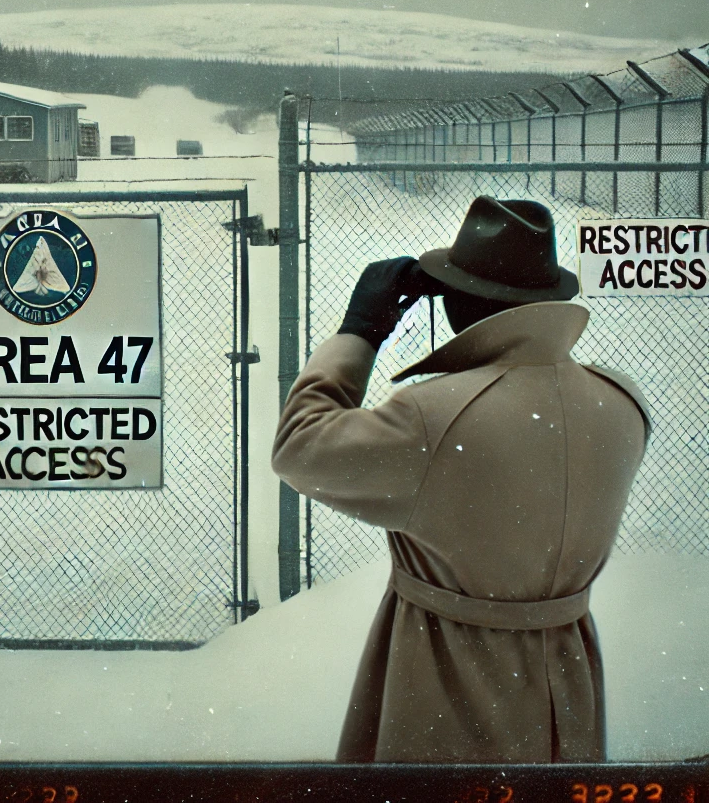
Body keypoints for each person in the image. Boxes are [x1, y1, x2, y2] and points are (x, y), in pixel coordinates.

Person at [272, 196, 651, 763]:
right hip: (566, 684)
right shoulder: (621, 404)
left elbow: (300, 445)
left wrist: (359, 331)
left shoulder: (434, 419)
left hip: (443, 676)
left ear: (455, 301)